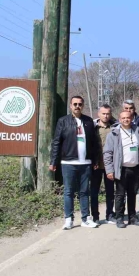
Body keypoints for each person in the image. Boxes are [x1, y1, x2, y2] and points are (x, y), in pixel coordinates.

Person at [50, 95, 100, 230]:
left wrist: (94, 160)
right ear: (70, 106)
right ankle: (68, 219)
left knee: (84, 191)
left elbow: (94, 143)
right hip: (68, 162)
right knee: (69, 192)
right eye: (75, 104)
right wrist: (53, 161)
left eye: (80, 104)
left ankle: (85, 218)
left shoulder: (89, 121)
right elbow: (56, 142)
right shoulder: (63, 121)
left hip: (85, 163)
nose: (77, 106)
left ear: (83, 106)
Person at [103, 110, 139, 227]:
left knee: (132, 194)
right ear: (119, 119)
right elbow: (107, 153)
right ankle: (119, 218)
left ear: (131, 118)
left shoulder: (137, 131)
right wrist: (109, 170)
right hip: (121, 169)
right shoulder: (113, 134)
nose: (126, 120)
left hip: (135, 168)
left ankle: (132, 217)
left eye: (128, 117)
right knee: (120, 195)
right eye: (123, 118)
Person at [122, 100, 139, 215]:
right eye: (126, 108)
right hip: (125, 159)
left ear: (134, 109)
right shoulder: (120, 120)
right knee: (123, 187)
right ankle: (122, 209)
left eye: (131, 108)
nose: (129, 110)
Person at [92, 104, 117, 224]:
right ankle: (95, 216)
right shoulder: (93, 127)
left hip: (110, 165)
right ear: (99, 114)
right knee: (94, 192)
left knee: (110, 191)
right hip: (96, 165)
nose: (106, 116)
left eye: (108, 113)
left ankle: (110, 214)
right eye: (103, 113)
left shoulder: (115, 127)